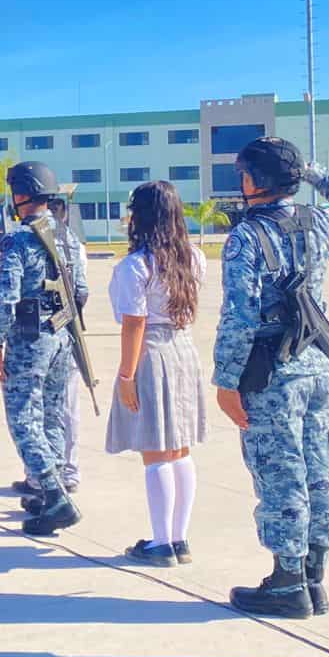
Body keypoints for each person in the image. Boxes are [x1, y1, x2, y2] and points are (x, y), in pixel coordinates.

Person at [213, 137, 329, 618]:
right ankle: (315, 576)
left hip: (271, 373)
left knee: (281, 478)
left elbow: (238, 317)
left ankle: (287, 581)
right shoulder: (318, 221)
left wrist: (225, 379)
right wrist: (310, 171)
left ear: (255, 181)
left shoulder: (245, 237)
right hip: (317, 366)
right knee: (320, 473)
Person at [106, 181, 208, 566]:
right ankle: (179, 538)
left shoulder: (136, 265)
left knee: (155, 450)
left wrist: (126, 376)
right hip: (184, 349)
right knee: (179, 447)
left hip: (151, 354)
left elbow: (134, 323)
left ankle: (161, 542)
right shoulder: (194, 258)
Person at [0, 161, 86, 536]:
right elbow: (82, 293)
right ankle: (53, 488)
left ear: (22, 194)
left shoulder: (19, 238)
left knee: (24, 419)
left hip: (29, 339)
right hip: (61, 336)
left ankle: (56, 498)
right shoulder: (68, 237)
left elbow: (5, 298)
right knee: (52, 415)